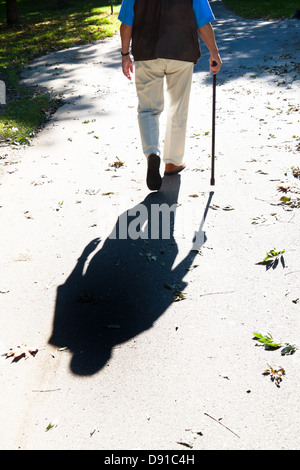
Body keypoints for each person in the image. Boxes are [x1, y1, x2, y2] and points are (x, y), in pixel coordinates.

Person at [118, 0, 222, 190]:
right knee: (177, 109)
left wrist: (125, 54)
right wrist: (213, 52)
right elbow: (203, 21)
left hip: (147, 53)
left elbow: (126, 22)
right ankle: (172, 162)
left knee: (149, 109)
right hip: (181, 53)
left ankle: (152, 154)